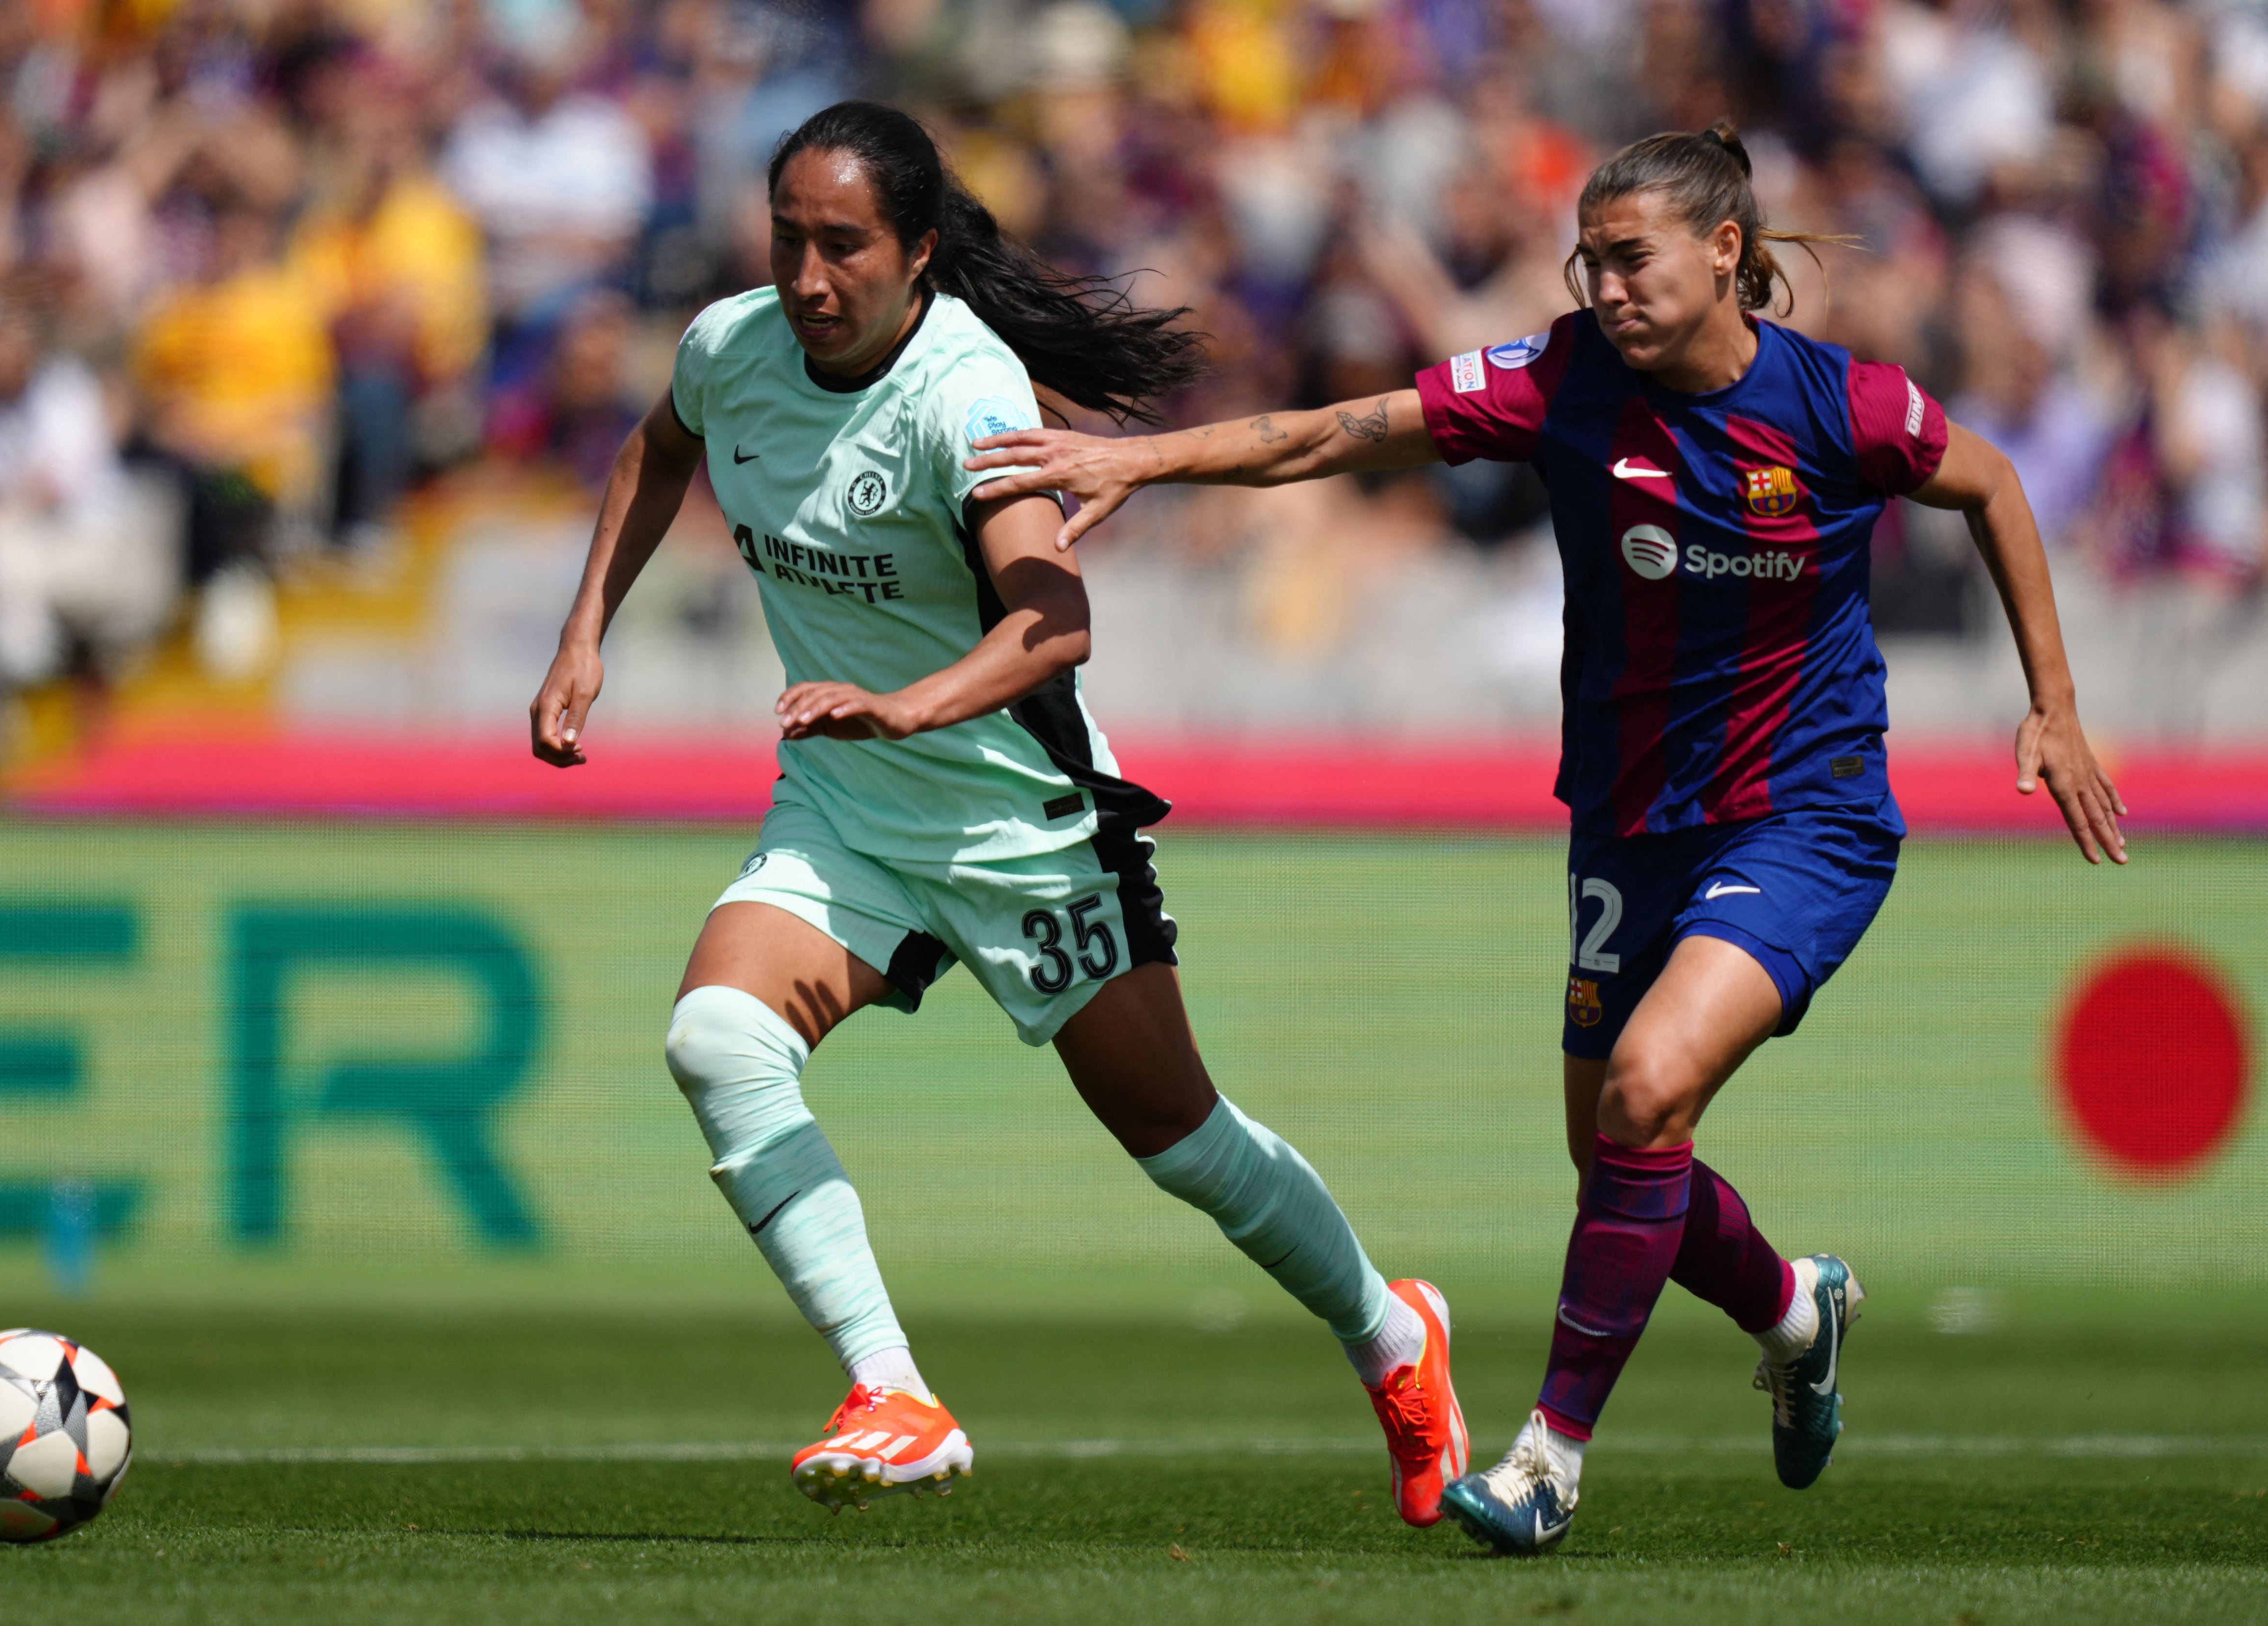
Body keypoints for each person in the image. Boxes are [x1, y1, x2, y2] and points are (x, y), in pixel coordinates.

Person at [964, 122, 2127, 1553]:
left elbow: (1993, 484)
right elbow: (1336, 432)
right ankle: (1793, 1312)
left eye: (1632, 259)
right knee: (1618, 1154)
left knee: (1647, 1089)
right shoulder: (1565, 378)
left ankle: (1547, 1460)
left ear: (1725, 251)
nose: (1607, 289)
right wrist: (1143, 461)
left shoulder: (1845, 404)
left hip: (1804, 815)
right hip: (1629, 826)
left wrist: (2055, 706)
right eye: (1591, 263)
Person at [526, 101, 1467, 1523]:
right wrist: (584, 632)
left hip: (1019, 825)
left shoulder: (967, 393)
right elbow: (658, 451)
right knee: (715, 1039)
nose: (809, 278)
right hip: (846, 813)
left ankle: (1394, 1336)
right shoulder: (731, 348)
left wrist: (910, 706)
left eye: (844, 246)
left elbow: (1053, 625)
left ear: (918, 251)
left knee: (1181, 1140)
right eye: (788, 241)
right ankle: (892, 1392)